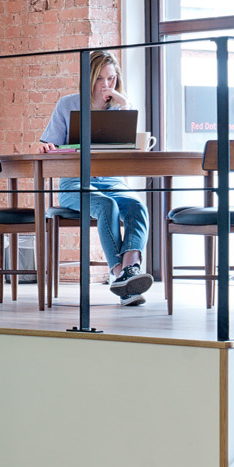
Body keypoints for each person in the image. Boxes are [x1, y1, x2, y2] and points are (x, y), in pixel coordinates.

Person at [38, 50, 155, 305]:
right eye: (100, 78)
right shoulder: (68, 104)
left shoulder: (119, 107)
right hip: (75, 182)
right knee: (106, 205)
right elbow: (50, 145)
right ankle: (119, 276)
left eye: (111, 78)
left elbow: (133, 146)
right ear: (89, 78)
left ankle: (129, 270)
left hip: (112, 181)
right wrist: (48, 147)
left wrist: (125, 106)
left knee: (138, 207)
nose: (106, 85)